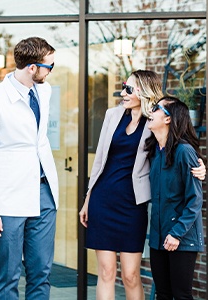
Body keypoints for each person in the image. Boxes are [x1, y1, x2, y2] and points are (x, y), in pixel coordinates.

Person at [79, 70, 205, 300]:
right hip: (103, 199)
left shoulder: (154, 120)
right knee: (106, 272)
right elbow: (99, 161)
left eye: (129, 89)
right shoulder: (112, 115)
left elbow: (175, 145)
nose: (122, 92)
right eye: (124, 87)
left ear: (144, 92)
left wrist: (200, 165)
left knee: (130, 275)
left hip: (132, 204)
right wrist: (88, 198)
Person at [0, 36, 59, 300]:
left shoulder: (44, 91)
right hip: (8, 201)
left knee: (41, 275)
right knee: (8, 279)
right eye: (49, 66)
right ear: (32, 67)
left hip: (44, 194)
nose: (51, 71)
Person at [145, 96, 204, 299]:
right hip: (158, 236)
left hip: (182, 237)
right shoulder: (154, 151)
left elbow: (195, 199)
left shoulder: (184, 151)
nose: (150, 112)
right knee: (162, 294)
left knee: (181, 295)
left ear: (169, 118)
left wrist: (177, 233)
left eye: (156, 108)